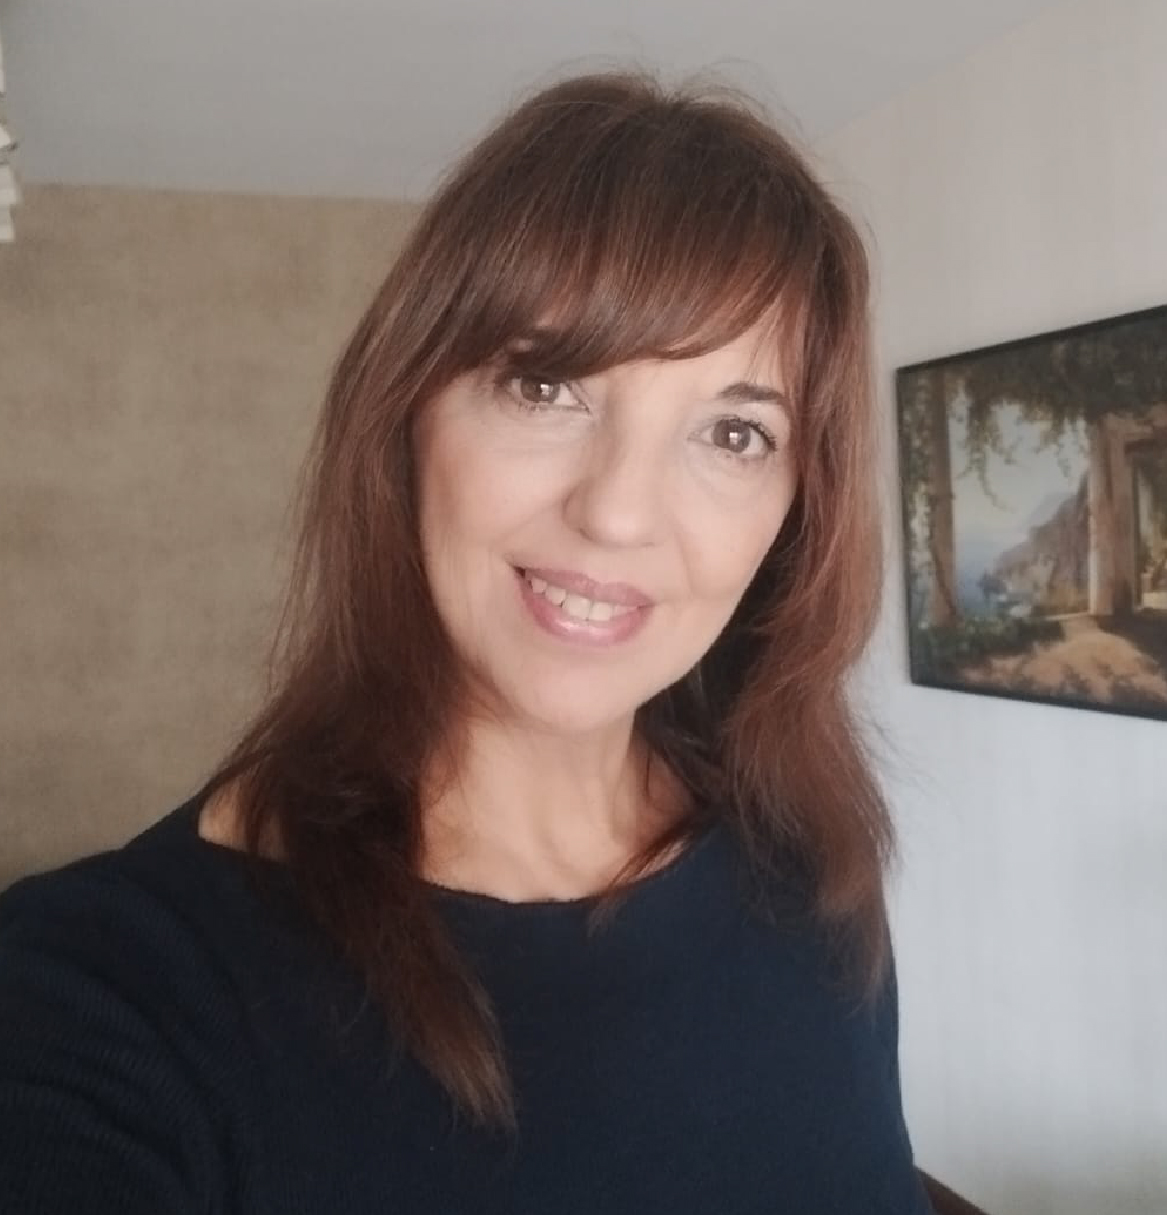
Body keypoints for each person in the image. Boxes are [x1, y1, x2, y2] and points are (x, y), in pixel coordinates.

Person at [0, 70, 935, 1213]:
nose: (618, 514)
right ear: (408, 413)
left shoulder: (809, 868)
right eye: (547, 385)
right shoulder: (98, 992)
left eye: (734, 433)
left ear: (797, 511)